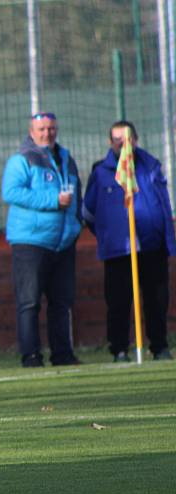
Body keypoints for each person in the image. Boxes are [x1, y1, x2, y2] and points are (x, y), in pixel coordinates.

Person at [83, 121, 176, 363]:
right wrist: (109, 233)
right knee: (118, 301)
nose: (123, 144)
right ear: (110, 142)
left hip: (152, 246)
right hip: (119, 249)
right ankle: (120, 350)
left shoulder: (151, 166)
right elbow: (88, 212)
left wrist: (166, 237)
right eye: (117, 139)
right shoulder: (102, 173)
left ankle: (159, 346)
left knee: (157, 300)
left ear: (135, 139)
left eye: (127, 139)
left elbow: (163, 204)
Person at [1, 112, 82, 368]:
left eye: (51, 128)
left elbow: (77, 194)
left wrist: (76, 224)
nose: (47, 133)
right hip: (31, 242)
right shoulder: (22, 160)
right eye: (42, 129)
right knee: (29, 301)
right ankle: (31, 356)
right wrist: (52, 202)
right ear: (32, 131)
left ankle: (63, 355)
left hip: (64, 242)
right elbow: (11, 192)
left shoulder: (67, 160)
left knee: (62, 302)